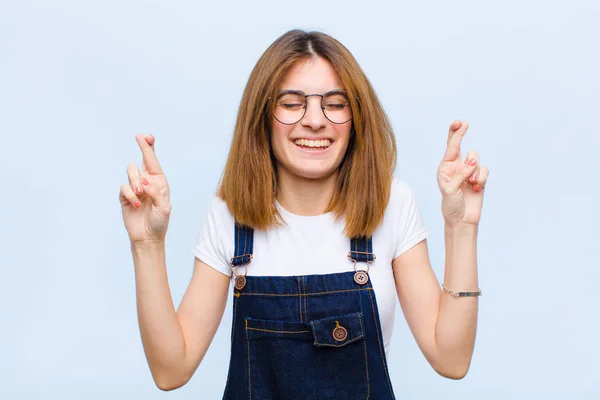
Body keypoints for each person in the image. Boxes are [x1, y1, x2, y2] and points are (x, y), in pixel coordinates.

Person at [119, 29, 489, 399]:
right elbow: (171, 370)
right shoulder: (228, 216)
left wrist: (461, 226)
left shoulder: (391, 204)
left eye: (336, 103)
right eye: (292, 102)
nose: (315, 120)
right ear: (262, 115)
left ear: (356, 116)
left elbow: (451, 359)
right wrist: (147, 244)